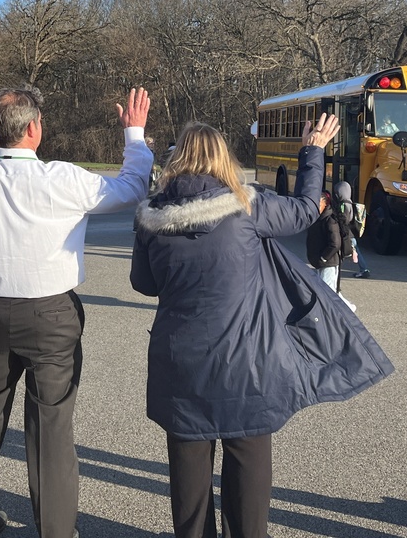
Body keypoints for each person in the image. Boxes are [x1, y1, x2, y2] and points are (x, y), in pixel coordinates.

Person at [132, 113, 387, 538]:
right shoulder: (249, 206)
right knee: (248, 468)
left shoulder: (151, 218)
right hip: (246, 363)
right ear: (222, 160)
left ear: (178, 160)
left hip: (180, 364)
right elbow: (307, 209)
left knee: (189, 481)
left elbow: (143, 283)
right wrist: (313, 151)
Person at [0, 86, 151, 538]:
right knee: (51, 426)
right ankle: (55, 531)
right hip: (52, 314)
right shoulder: (62, 178)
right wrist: (134, 133)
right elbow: (133, 187)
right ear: (34, 128)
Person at [331, 181, 372, 279]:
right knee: (355, 250)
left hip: (346, 233)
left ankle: (335, 270)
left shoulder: (343, 205)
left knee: (340, 251)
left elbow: (343, 220)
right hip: (351, 233)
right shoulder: (350, 202)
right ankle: (364, 269)